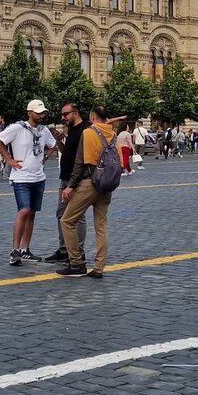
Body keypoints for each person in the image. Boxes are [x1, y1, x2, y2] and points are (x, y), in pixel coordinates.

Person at [59, 106, 119, 278]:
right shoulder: (113, 135)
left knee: (67, 221)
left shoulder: (88, 132)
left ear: (92, 116)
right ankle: (99, 268)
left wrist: (70, 186)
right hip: (107, 184)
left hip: (89, 183)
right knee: (101, 227)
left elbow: (79, 162)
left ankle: (76, 263)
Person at [0, 99, 57, 266]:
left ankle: (25, 249)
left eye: (43, 113)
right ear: (29, 113)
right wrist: (8, 159)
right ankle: (15, 250)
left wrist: (45, 157)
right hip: (21, 177)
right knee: (24, 210)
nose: (41, 115)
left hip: (38, 177)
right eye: (38, 113)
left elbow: (53, 144)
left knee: (32, 214)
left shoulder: (44, 130)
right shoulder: (17, 128)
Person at [44, 102, 88, 263]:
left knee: (78, 216)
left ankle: (78, 252)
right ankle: (64, 250)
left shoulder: (85, 130)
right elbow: (67, 153)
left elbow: (83, 158)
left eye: (65, 114)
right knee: (61, 214)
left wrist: (73, 182)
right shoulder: (71, 130)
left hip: (77, 179)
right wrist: (59, 142)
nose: (63, 118)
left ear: (75, 113)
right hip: (65, 178)